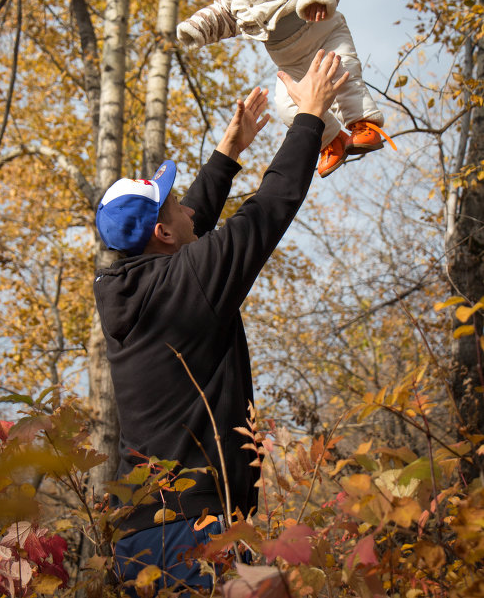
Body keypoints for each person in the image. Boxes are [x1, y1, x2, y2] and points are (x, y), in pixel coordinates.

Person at [93, 50, 348, 595]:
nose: (188, 208)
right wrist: (310, 116)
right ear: (162, 234)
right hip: (189, 525)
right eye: (173, 205)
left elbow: (186, 228)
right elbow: (269, 209)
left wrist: (228, 153)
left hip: (143, 527)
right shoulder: (186, 279)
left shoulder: (133, 286)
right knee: (262, 589)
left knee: (266, 586)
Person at [177, 0, 392, 177]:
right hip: (290, 64)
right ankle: (332, 141)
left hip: (324, 38)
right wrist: (196, 30)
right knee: (289, 108)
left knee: (344, 75)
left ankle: (363, 125)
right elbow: (222, 17)